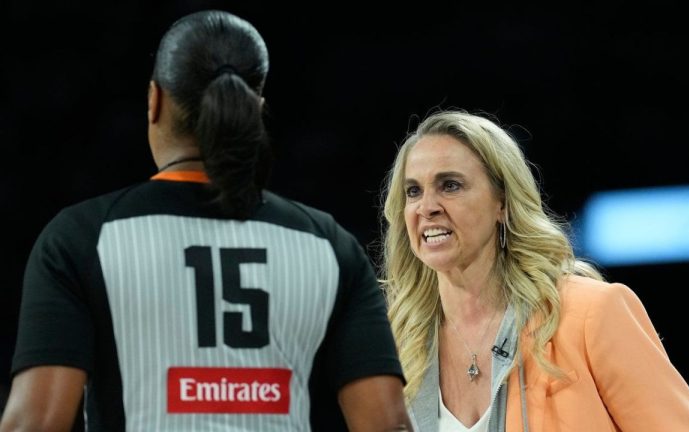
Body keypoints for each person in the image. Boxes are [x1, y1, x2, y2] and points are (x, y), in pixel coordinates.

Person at [1, 10, 410, 431]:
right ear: (257, 107)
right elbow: (386, 424)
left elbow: (35, 424)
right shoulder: (330, 245)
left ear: (154, 100)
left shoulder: (82, 239)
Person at [379, 110, 689, 431]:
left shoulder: (589, 314)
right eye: (413, 191)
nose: (427, 207)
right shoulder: (399, 347)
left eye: (450, 185)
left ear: (503, 203)